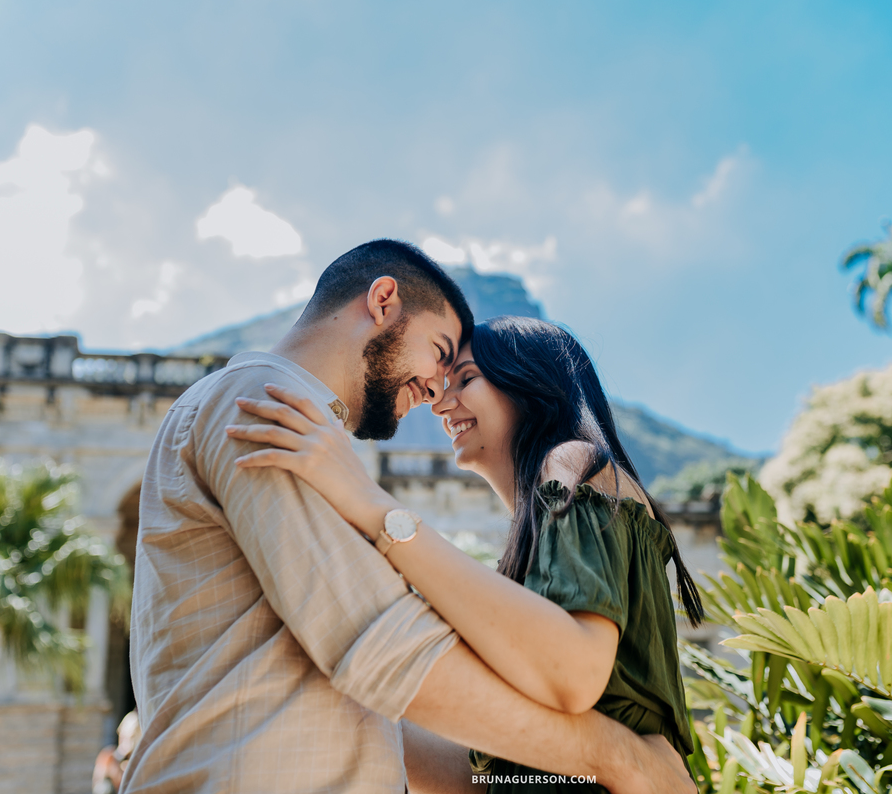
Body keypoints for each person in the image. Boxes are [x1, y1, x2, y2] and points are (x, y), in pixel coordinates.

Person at [124, 239, 693, 794]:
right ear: (383, 300)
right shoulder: (270, 404)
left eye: (462, 375)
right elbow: (380, 646)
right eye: (441, 355)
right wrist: (616, 759)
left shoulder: (301, 429)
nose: (436, 394)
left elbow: (441, 723)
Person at [228, 315, 705, 792]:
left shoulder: (570, 461)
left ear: (528, 384)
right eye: (443, 384)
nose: (440, 403)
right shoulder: (531, 555)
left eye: (468, 379)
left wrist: (369, 503)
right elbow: (495, 776)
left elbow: (573, 673)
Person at [93, 710, 140, 794]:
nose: (128, 741)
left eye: (132, 737)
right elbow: (100, 787)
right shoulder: (108, 758)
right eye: (124, 736)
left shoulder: (141, 763)